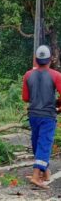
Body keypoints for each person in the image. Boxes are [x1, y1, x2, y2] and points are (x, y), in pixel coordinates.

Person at [22, 45, 61, 188]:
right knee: (44, 144)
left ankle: (44, 172)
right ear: (50, 59)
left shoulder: (28, 75)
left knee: (37, 142)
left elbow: (25, 97)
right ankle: (35, 176)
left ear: (36, 60)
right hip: (48, 115)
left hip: (33, 115)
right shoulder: (56, 75)